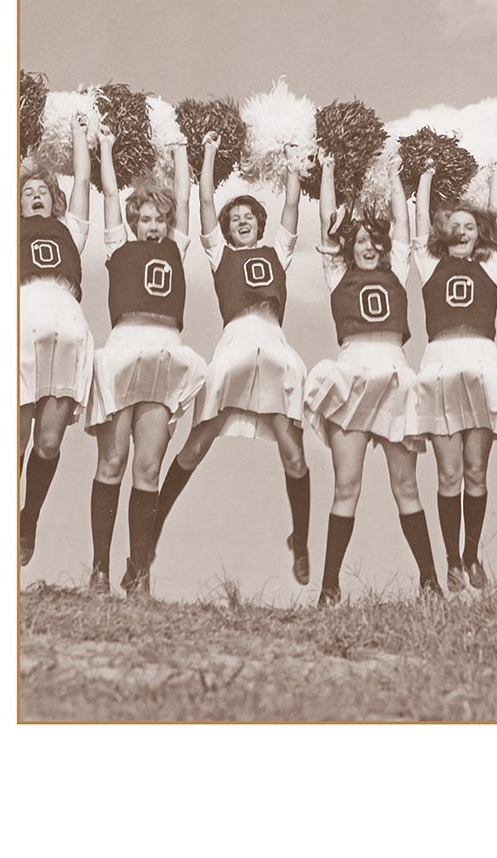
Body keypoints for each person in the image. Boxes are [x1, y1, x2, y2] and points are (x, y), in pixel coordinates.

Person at [149, 131, 313, 583]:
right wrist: (209, 153)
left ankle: (300, 541)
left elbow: (293, 205)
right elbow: (205, 201)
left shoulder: (277, 252)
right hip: (235, 344)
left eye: (248, 217)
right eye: (235, 218)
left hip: (275, 346)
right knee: (195, 447)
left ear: (260, 224)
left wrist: (292, 161)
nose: (241, 221)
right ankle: (150, 535)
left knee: (294, 456)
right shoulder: (220, 255)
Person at [304, 156, 442, 604]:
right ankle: (329, 587)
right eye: (360, 240)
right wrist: (327, 172)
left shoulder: (396, 270)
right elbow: (326, 223)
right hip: (351, 378)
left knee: (407, 486)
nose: (367, 246)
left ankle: (430, 582)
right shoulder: (337, 274)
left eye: (373, 240)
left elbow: (402, 222)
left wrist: (395, 177)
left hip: (396, 378)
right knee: (347, 486)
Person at [84, 123, 206, 598]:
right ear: (134, 222)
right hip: (123, 348)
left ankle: (139, 574)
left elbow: (184, 197)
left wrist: (181, 151)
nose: (153, 227)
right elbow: (111, 195)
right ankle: (99, 570)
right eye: (146, 219)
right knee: (112, 460)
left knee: (148, 468)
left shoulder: (176, 246)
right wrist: (107, 149)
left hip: (165, 353)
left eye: (159, 220)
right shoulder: (119, 246)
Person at [407, 161, 497, 591]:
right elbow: (420, 222)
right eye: (455, 225)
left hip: (482, 364)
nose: (463, 231)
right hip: (440, 366)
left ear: (479, 232)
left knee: (476, 472)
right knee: (448, 474)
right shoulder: (429, 263)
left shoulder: (492, 265)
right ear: (444, 231)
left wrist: (494, 180)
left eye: (470, 226)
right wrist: (426, 177)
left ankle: (472, 555)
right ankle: (452, 559)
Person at [18, 113, 94, 567]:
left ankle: (28, 523)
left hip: (67, 323)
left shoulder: (71, 230)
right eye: (27, 191)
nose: (35, 195)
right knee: (14, 441)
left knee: (48, 444)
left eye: (42, 191)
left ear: (53, 199)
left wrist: (80, 132)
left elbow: (83, 179)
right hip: (21, 315)